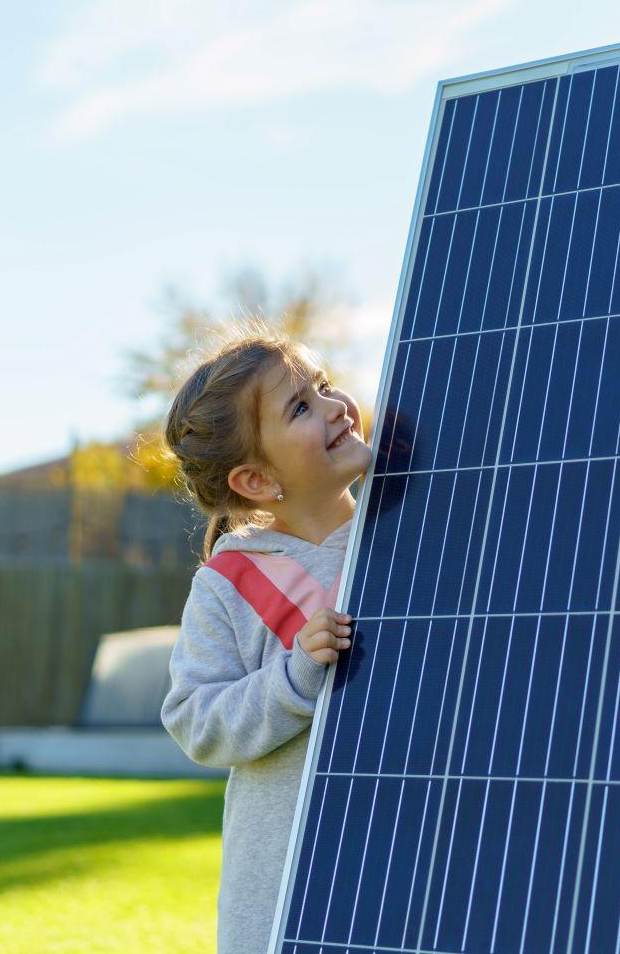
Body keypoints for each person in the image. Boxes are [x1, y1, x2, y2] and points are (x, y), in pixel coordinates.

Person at [160, 328, 366, 954]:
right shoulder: (231, 583)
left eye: (324, 387)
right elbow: (194, 719)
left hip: (403, 849)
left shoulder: (411, 534)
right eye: (301, 407)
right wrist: (295, 677)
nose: (336, 407)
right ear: (255, 481)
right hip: (283, 884)